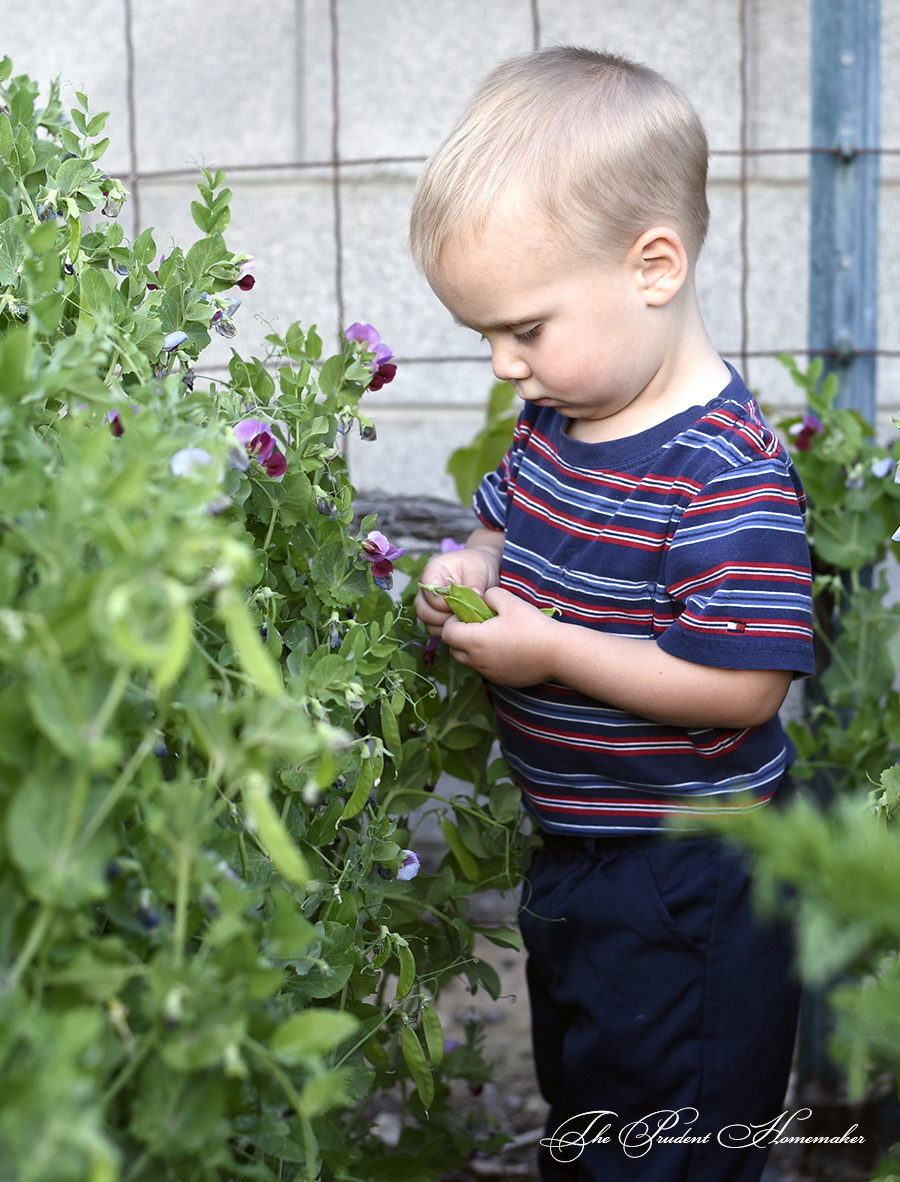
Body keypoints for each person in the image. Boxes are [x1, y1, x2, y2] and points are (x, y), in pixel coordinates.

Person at [410, 46, 815, 1182]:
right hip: (586, 851)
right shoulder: (557, 427)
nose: (505, 366)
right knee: (594, 1099)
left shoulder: (722, 471)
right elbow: (498, 528)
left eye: (525, 330)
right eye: (484, 334)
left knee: (671, 1135)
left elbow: (742, 687)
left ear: (653, 265)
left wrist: (550, 653)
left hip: (693, 875)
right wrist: (467, 567)